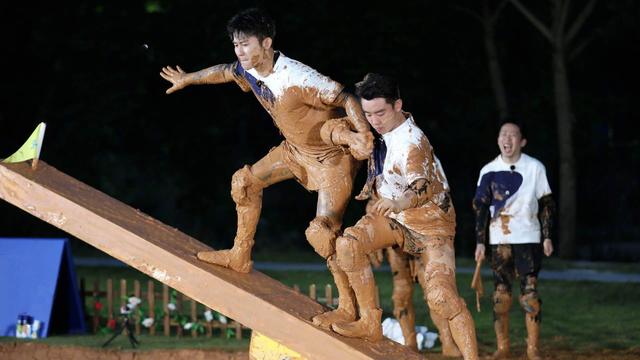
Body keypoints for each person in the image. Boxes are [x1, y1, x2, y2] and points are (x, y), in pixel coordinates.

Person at [160, 8, 373, 328]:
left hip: (332, 158)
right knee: (243, 183)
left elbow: (346, 97)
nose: (239, 51)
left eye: (245, 44)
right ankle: (239, 255)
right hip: (295, 151)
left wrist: (363, 135)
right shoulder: (249, 70)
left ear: (267, 43)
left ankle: (350, 308)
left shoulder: (297, 77)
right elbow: (224, 71)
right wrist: (188, 79)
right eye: (235, 45)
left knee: (321, 234)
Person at [330, 73, 478, 359]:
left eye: (380, 113)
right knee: (348, 244)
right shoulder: (376, 132)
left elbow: (420, 186)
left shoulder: (413, 142)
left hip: (430, 224)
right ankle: (370, 323)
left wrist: (398, 202)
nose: (374, 120)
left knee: (441, 297)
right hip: (396, 220)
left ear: (398, 105)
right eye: (368, 113)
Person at [473, 120, 555, 360]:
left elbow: (547, 203)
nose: (507, 139)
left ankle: (533, 350)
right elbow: (479, 208)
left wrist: (547, 236)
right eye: (503, 134)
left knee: (530, 296)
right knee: (501, 296)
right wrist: (480, 241)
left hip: (529, 237)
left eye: (513, 135)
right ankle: (503, 347)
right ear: (498, 140)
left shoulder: (534, 167)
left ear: (522, 141)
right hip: (500, 240)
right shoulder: (488, 170)